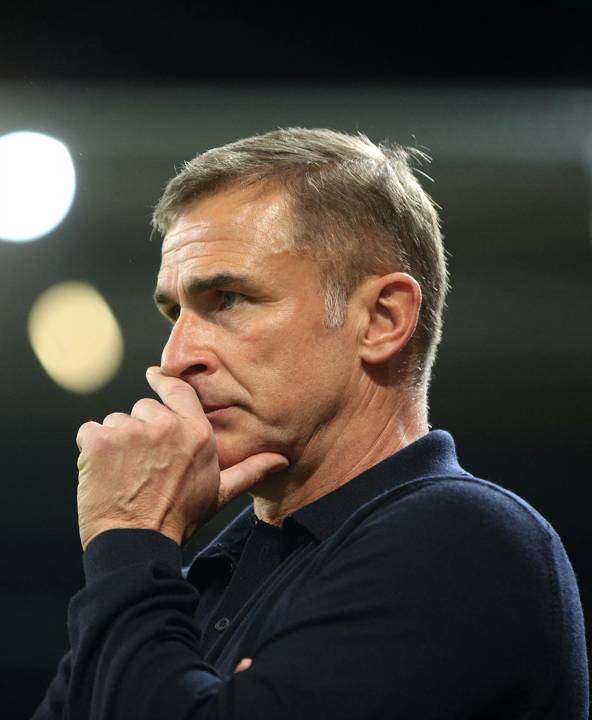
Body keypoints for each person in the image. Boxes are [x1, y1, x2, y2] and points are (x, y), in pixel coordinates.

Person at [32, 128, 588, 719]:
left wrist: (128, 533)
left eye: (227, 298)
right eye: (174, 311)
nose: (174, 358)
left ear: (381, 318)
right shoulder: (189, 583)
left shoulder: (465, 541)